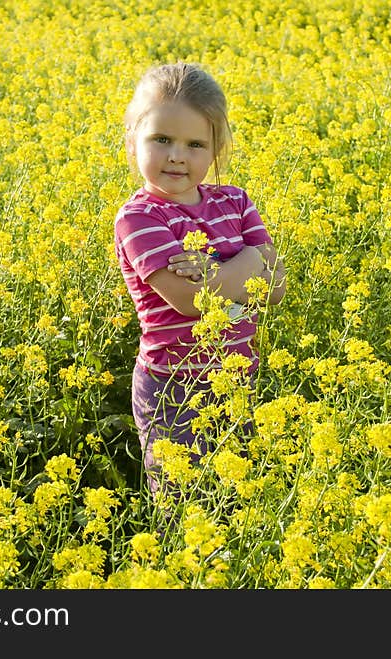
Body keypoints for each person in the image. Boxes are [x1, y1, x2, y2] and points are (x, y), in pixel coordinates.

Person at [113, 62, 286, 497]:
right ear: (133, 141)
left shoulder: (235, 201)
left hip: (236, 377)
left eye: (195, 144)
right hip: (172, 386)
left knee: (238, 499)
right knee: (182, 507)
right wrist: (250, 262)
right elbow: (190, 301)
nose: (177, 156)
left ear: (216, 150)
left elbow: (277, 288)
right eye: (162, 140)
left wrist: (221, 271)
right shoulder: (139, 218)